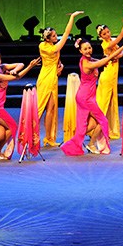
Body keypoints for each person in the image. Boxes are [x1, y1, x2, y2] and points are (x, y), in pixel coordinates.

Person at [61, 35, 123, 156]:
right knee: (103, 120)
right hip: (86, 98)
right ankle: (90, 143)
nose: (88, 50)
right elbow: (105, 60)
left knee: (93, 123)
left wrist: (112, 57)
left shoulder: (89, 59)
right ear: (80, 51)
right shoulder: (87, 64)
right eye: (85, 49)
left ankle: (74, 141)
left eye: (89, 48)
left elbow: (105, 59)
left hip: (86, 96)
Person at [36, 11, 83, 147]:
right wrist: (72, 17)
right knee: (39, 109)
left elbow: (56, 60)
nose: (56, 37)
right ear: (48, 38)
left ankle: (49, 137)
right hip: (46, 79)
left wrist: (60, 65)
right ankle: (29, 135)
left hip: (52, 77)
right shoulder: (49, 47)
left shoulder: (48, 46)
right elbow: (67, 33)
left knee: (51, 109)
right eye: (54, 36)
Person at [96, 8, 123, 140]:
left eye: (108, 32)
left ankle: (110, 129)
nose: (107, 34)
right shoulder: (106, 45)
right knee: (103, 103)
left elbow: (121, 52)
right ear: (101, 36)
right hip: (108, 75)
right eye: (104, 34)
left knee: (111, 102)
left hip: (113, 74)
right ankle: (96, 129)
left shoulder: (111, 41)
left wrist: (120, 54)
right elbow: (122, 35)